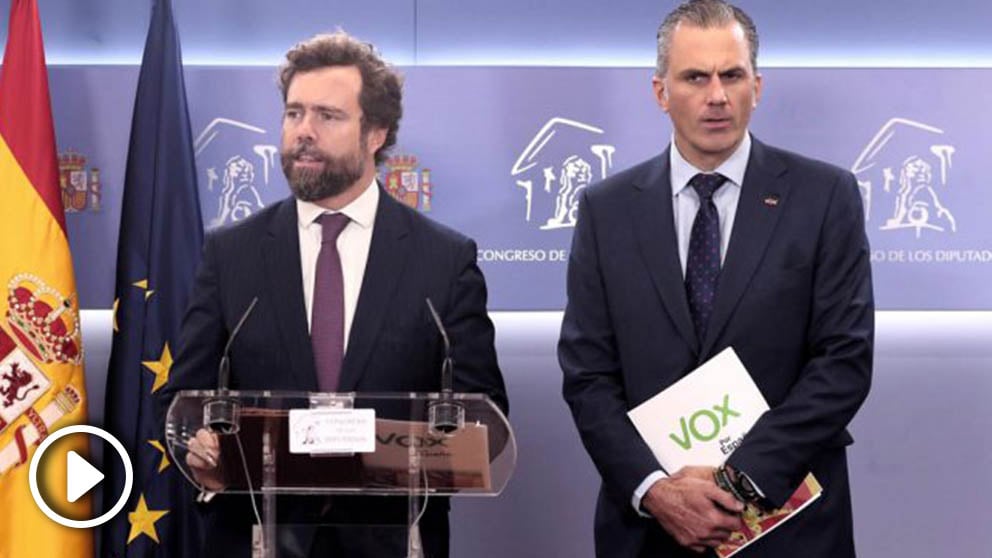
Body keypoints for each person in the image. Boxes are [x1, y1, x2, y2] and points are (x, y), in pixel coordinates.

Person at [165, 31, 507, 558]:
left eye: (327, 116)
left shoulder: (443, 260)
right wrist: (197, 443)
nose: (304, 132)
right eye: (294, 113)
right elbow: (182, 397)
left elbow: (482, 414)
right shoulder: (231, 253)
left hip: (392, 539)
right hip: (257, 537)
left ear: (375, 133)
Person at [558, 1, 873, 556]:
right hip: (648, 529)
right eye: (695, 77)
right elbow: (588, 375)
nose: (717, 95)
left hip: (788, 523)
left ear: (758, 85)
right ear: (660, 91)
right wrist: (656, 490)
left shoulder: (825, 197)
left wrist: (735, 483)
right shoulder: (606, 210)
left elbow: (843, 360)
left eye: (732, 75)